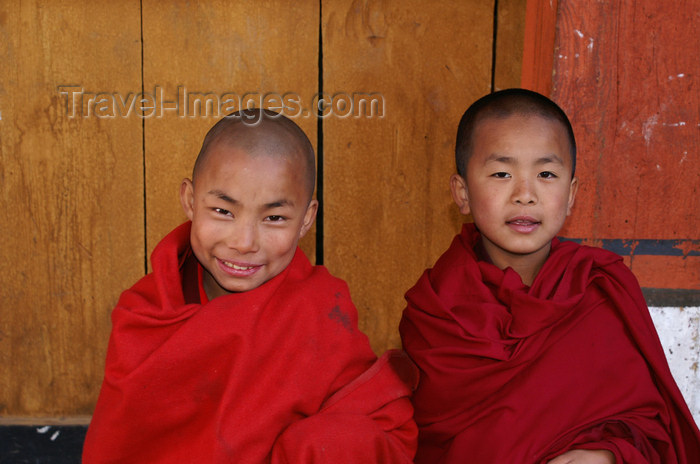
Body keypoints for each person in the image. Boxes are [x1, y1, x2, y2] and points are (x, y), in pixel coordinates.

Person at [83, 109, 417, 463]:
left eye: (274, 218)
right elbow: (121, 444)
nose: (244, 242)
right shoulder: (149, 312)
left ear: (306, 219)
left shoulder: (316, 310)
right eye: (223, 211)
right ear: (189, 200)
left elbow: (372, 422)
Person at [399, 88, 700, 463]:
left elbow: (651, 427)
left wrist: (606, 456)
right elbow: (424, 441)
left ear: (571, 194)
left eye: (546, 173)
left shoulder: (601, 289)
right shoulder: (436, 309)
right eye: (501, 173)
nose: (525, 194)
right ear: (461, 192)